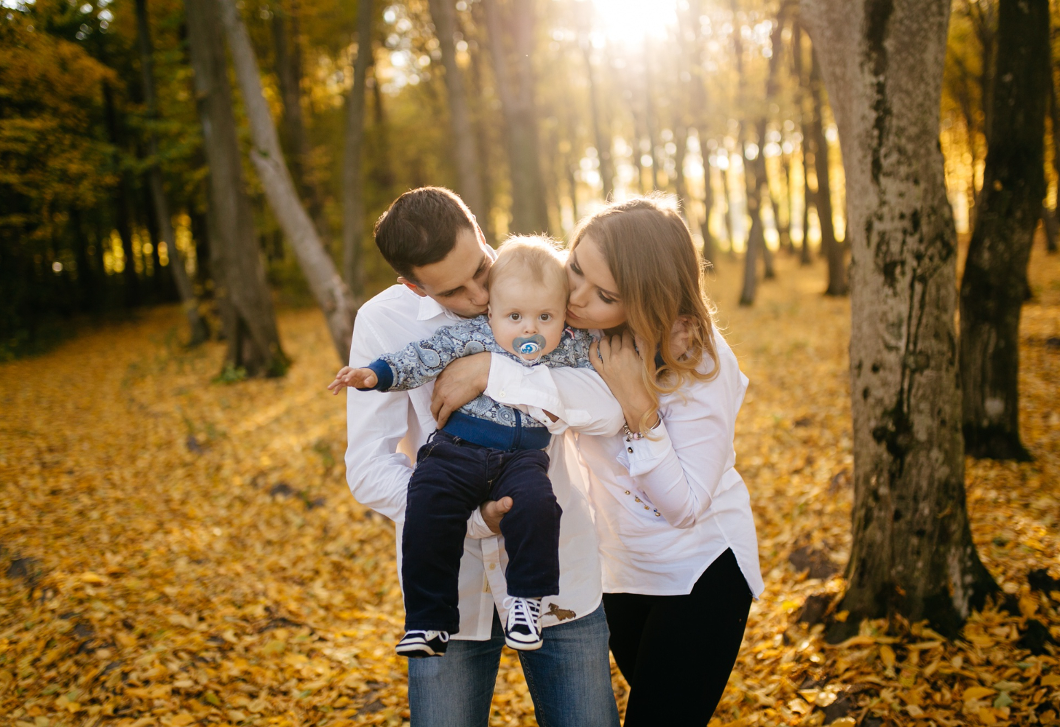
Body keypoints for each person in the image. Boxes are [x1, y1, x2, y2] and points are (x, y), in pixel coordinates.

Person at [436, 194, 763, 726]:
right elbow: (509, 305)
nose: (578, 298)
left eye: (605, 293)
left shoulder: (703, 360)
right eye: (576, 270)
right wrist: (485, 369)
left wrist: (639, 405)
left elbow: (683, 506)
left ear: (644, 297)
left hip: (699, 575)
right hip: (618, 573)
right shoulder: (575, 333)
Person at [343, 187, 622, 727]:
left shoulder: (547, 284)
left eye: (482, 266)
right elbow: (368, 467)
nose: (478, 293)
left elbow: (609, 409)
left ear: (484, 236)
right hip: (453, 581)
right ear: (413, 285)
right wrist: (471, 520)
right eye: (454, 288)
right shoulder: (381, 323)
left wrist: (496, 372)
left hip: (559, 566)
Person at [330, 236, 597, 656]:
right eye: (515, 317)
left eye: (544, 317)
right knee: (427, 498)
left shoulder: (564, 339)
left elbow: (605, 382)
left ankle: (527, 600)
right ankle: (427, 620)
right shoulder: (471, 332)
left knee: (538, 503)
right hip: (457, 450)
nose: (529, 328)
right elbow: (421, 356)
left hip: (524, 458)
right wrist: (375, 374)